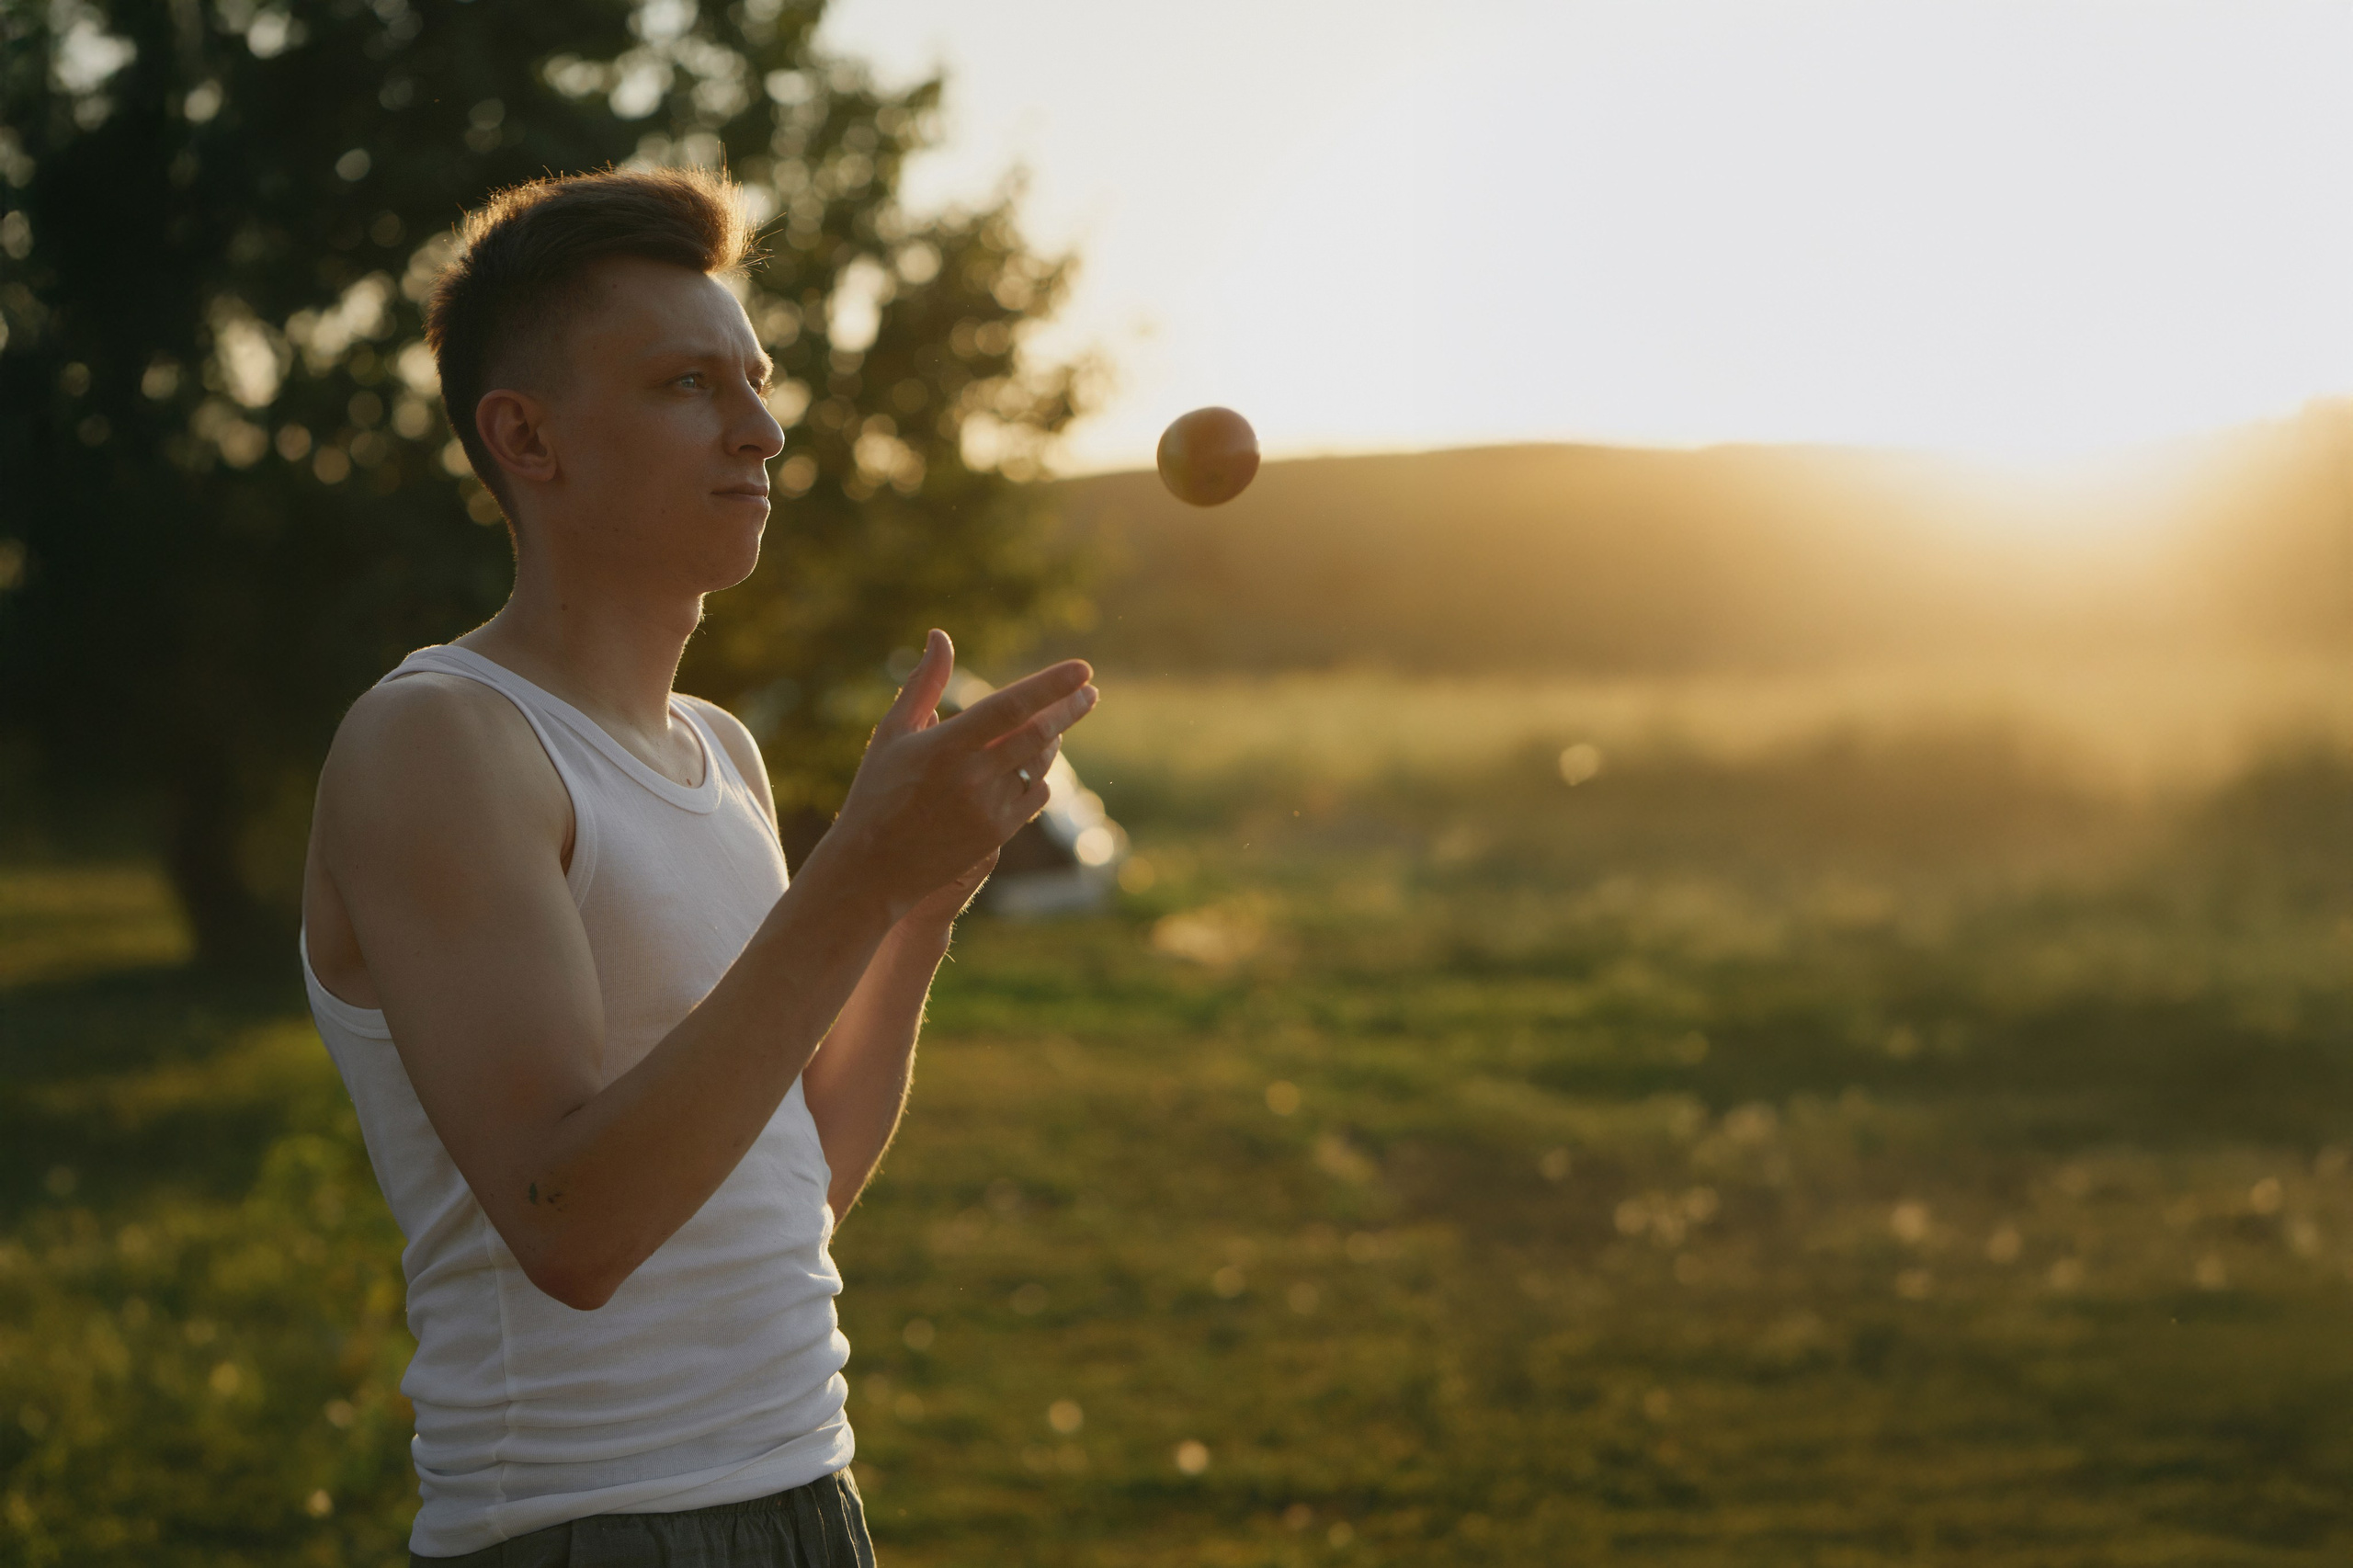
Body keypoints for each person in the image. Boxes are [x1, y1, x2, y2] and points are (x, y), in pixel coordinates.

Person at [297, 165, 1097, 1565]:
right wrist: (852, 872)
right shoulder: (440, 740)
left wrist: (917, 899)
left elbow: (794, 1177)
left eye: (758, 379)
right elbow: (579, 1225)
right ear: (526, 438)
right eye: (687, 385)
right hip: (583, 1526)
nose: (764, 429)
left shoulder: (719, 750)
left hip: (808, 1491)